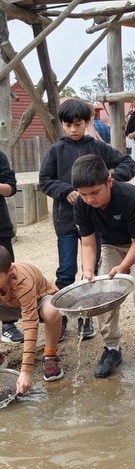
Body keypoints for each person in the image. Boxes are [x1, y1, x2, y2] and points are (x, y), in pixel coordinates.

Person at [39, 99, 135, 342]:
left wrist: (110, 183)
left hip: (96, 220)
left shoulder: (98, 147)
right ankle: (60, 318)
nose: (73, 130)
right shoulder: (55, 151)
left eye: (78, 124)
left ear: (87, 122)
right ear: (62, 124)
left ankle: (86, 316)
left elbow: (127, 163)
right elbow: (45, 181)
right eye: (68, 125)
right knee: (66, 270)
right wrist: (65, 191)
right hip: (66, 221)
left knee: (91, 270)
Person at [72, 154, 135, 379]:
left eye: (95, 192)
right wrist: (87, 270)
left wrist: (122, 267)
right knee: (103, 294)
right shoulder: (81, 205)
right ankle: (111, 348)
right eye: (84, 194)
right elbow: (88, 242)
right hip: (111, 243)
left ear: (109, 182)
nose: (90, 199)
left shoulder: (129, 197)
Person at [0, 246, 63, 395]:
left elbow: (30, 324)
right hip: (8, 306)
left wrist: (26, 371)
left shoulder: (23, 281)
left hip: (39, 300)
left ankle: (50, 355)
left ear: (10, 271)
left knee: (52, 311)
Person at [0, 150, 23, 344]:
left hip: (0, 228)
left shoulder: (0, 156)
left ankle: (8, 324)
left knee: (7, 277)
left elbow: (11, 188)